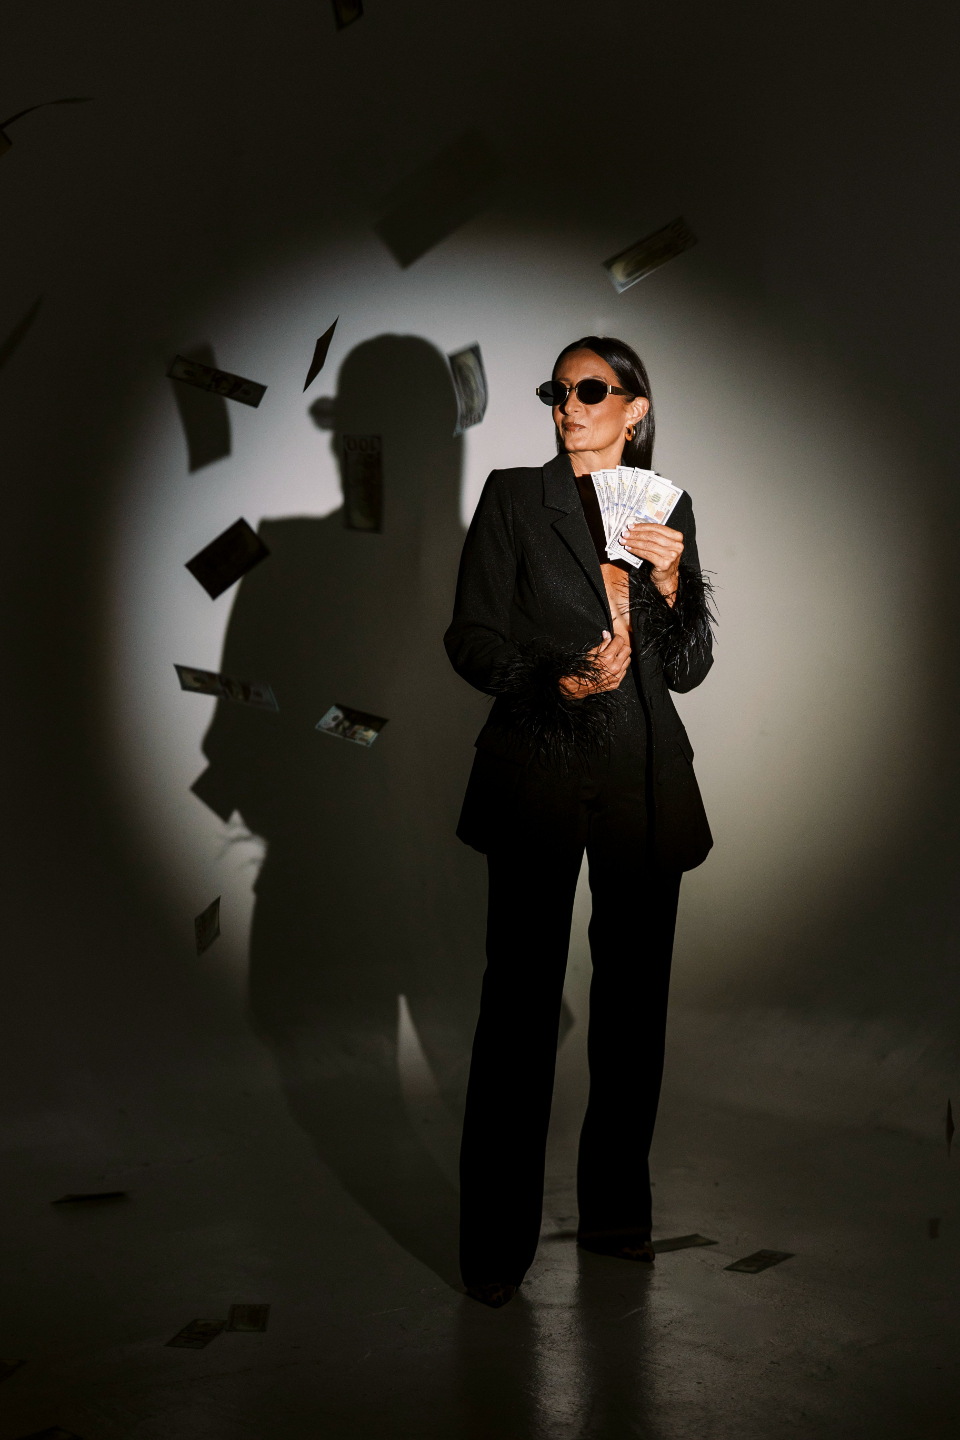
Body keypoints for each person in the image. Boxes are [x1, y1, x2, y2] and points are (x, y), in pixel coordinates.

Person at [444, 335, 716, 1308]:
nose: (568, 405)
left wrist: (674, 590)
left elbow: (688, 669)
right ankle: (493, 1253)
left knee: (633, 1011)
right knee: (518, 1010)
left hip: (644, 778)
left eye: (590, 390)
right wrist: (551, 680)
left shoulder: (667, 505)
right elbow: (469, 637)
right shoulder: (516, 499)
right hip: (540, 771)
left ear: (633, 408)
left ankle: (615, 1218)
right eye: (557, 390)